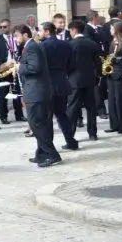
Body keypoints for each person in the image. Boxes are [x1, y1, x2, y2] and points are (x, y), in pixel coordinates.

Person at [13, 25, 61, 167]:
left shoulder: (32, 47)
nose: (16, 39)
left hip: (37, 93)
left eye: (17, 36)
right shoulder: (32, 46)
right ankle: (41, 154)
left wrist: (19, 67)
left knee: (37, 124)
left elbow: (35, 67)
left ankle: (52, 154)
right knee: (41, 123)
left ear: (26, 35)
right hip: (38, 91)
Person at [39, 22, 77, 150]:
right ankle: (71, 141)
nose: (39, 33)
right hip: (62, 82)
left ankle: (50, 148)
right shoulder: (65, 44)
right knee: (62, 114)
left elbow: (40, 66)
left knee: (48, 117)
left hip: (48, 84)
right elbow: (71, 65)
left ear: (47, 31)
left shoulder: (42, 46)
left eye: (41, 31)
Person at [67, 20, 102, 142]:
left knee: (72, 108)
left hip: (74, 81)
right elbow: (98, 63)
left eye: (70, 31)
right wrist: (97, 76)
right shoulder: (92, 43)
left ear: (74, 30)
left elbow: (68, 64)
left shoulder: (70, 45)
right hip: (90, 80)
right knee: (91, 108)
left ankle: (70, 135)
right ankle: (93, 134)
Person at [0, 19, 24, 124]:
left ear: (10, 26)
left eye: (5, 26)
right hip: (4, 68)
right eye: (1, 27)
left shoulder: (16, 38)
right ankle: (3, 117)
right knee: (3, 93)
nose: (2, 29)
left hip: (16, 66)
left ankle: (19, 115)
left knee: (17, 93)